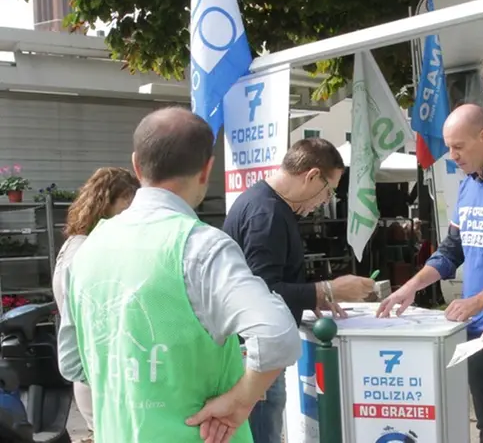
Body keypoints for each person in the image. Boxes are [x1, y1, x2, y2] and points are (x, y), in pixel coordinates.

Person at [57, 107, 302, 443]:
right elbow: (278, 336)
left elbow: (72, 363)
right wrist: (241, 400)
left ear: (137, 165)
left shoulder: (86, 248)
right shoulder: (202, 247)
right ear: (206, 169)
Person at [377, 103, 483, 443]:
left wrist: (477, 301)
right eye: (448, 147)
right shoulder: (468, 184)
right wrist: (410, 287)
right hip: (472, 330)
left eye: (458, 147)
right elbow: (451, 251)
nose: (452, 156)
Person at [222, 138, 375, 443]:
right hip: (254, 353)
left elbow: (270, 279)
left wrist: (311, 294)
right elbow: (262, 293)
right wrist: (325, 290)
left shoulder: (266, 205)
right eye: (328, 191)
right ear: (312, 176)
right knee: (263, 432)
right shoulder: (267, 215)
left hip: (253, 351)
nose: (325, 201)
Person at [52, 167, 140, 442]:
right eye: (130, 203)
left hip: (93, 371)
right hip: (98, 374)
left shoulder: (77, 243)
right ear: (115, 199)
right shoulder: (88, 250)